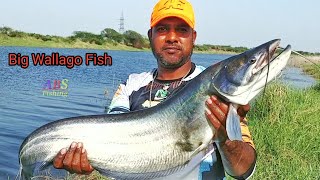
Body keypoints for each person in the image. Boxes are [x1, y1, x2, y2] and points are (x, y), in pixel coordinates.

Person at [53, 0, 256, 179]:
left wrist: (225, 138)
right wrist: (86, 157)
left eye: (182, 30)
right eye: (162, 29)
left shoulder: (216, 87)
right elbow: (112, 136)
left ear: (193, 37)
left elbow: (242, 171)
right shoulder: (131, 85)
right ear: (151, 36)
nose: (172, 38)